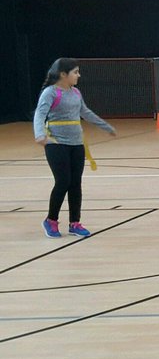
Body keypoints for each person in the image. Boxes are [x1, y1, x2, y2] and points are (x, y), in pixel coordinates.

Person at [32, 58, 116, 238]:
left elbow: (85, 112)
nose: (79, 75)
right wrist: (40, 135)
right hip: (56, 143)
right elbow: (40, 114)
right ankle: (51, 220)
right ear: (63, 74)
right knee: (63, 181)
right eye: (75, 72)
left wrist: (105, 126)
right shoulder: (50, 93)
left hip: (77, 144)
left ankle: (75, 222)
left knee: (75, 183)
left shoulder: (76, 92)